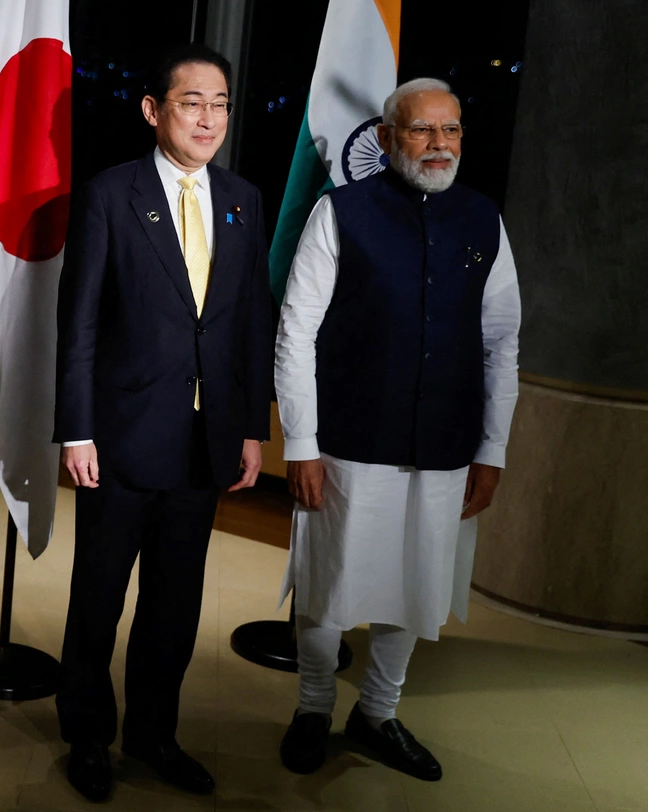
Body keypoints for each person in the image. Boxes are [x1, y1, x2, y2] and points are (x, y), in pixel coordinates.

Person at [274, 78, 521, 781]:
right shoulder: (340, 212)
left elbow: (502, 340)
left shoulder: (484, 219)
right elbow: (296, 335)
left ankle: (378, 712)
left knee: (416, 584)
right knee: (329, 586)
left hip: (446, 445)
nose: (439, 145)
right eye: (421, 131)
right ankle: (314, 707)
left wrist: (493, 447)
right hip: (347, 442)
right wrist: (301, 443)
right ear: (386, 138)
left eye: (452, 130)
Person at [54, 44, 274, 802]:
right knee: (98, 598)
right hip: (119, 435)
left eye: (220, 103)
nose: (208, 118)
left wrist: (251, 428)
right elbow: (78, 321)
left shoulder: (244, 199)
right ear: (154, 110)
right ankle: (87, 733)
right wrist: (75, 429)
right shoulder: (109, 196)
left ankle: (153, 734)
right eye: (192, 102)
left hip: (204, 440)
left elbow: (249, 323)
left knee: (175, 605)